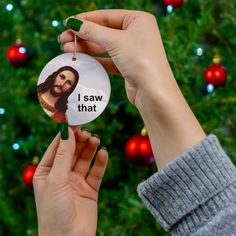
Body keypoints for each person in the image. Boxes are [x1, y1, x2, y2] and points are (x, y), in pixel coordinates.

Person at [33, 9, 236, 236]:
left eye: (70, 83)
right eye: (62, 77)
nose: (64, 84)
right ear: (55, 75)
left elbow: (219, 219)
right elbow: (218, 219)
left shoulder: (64, 109)